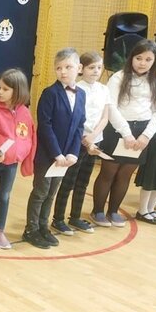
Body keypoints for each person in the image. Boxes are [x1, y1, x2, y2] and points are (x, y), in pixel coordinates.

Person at [91, 40, 156, 227]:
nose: (142, 63)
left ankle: (113, 211)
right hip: (117, 130)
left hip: (141, 133)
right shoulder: (118, 77)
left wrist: (146, 135)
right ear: (132, 58)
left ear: (154, 61)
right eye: (139, 58)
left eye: (148, 59)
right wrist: (126, 134)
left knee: (125, 174)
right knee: (109, 172)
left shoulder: (155, 81)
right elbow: (111, 107)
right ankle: (97, 211)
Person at [23, 48, 86, 249]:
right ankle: (31, 229)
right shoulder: (50, 93)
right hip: (48, 154)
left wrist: (73, 152)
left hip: (65, 157)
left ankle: (43, 226)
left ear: (79, 68)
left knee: (52, 193)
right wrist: (56, 153)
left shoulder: (82, 94)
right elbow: (45, 125)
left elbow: (79, 125)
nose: (63, 71)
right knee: (40, 192)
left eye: (68, 67)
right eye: (59, 68)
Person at [52, 52, 109, 235]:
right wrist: (85, 140)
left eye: (99, 67)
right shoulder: (78, 88)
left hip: (94, 142)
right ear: (81, 69)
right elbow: (76, 119)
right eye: (92, 67)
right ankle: (58, 219)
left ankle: (75, 217)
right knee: (68, 182)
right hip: (78, 142)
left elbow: (105, 117)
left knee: (83, 182)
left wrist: (93, 138)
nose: (96, 71)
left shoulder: (103, 89)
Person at [0, 69, 36, 250]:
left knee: (4, 196)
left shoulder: (24, 112)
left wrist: (21, 156)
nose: (0, 92)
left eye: (5, 89)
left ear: (17, 90)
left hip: (11, 164)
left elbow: (27, 137)